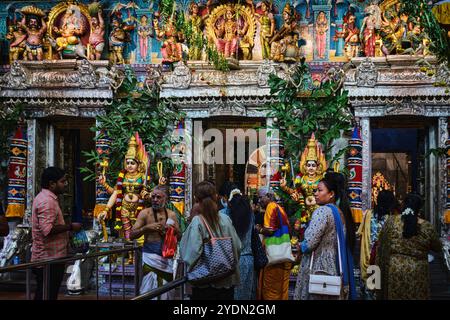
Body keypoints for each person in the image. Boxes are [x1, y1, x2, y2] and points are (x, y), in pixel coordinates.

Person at [294, 171, 356, 300]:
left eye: (319, 190)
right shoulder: (340, 212)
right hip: (334, 266)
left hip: (318, 267)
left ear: (331, 194)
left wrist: (300, 246)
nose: (315, 193)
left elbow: (310, 242)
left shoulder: (323, 211)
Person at [180, 181, 241, 300]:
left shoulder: (197, 222)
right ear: (216, 197)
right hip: (227, 283)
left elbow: (190, 254)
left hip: (205, 285)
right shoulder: (226, 219)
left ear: (196, 199)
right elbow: (237, 247)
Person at [376, 193, 442, 300]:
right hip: (417, 272)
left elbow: (381, 248)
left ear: (403, 205)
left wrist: (376, 281)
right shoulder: (426, 227)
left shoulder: (391, 222)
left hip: (394, 270)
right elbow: (438, 247)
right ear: (419, 208)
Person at [31, 167, 82, 300]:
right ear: (52, 183)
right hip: (48, 258)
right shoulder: (47, 201)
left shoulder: (48, 198)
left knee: (48, 293)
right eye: (62, 181)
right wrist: (70, 227)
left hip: (51, 256)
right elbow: (47, 230)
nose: (65, 184)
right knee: (46, 294)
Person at [130, 185, 180, 298]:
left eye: (158, 197)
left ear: (165, 199)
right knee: (148, 290)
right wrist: (146, 228)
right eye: (153, 197)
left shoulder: (171, 214)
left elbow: (180, 237)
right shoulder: (145, 213)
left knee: (167, 292)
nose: (155, 200)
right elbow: (131, 235)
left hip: (167, 259)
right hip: (150, 258)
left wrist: (172, 231)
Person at [357, 189, 397, 299]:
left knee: (369, 290)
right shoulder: (391, 220)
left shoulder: (368, 214)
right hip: (381, 259)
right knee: (380, 291)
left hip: (367, 257)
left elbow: (360, 234)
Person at [219, 182, 256, 300]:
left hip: (229, 262)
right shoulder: (250, 214)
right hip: (248, 261)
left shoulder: (222, 214)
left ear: (226, 198)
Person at [255, 187, 291, 300]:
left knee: (271, 291)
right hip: (283, 255)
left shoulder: (271, 207)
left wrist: (259, 229)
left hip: (274, 258)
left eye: (261, 197)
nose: (259, 200)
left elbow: (270, 230)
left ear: (269, 197)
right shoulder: (279, 208)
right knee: (281, 290)